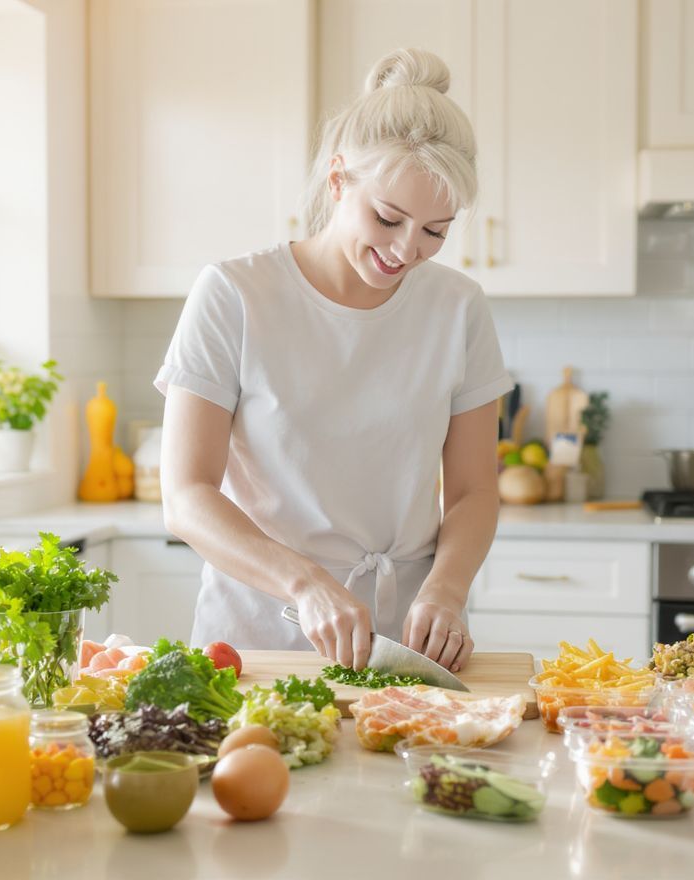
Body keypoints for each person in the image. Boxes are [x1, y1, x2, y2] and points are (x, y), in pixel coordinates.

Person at [155, 48, 512, 674]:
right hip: (256, 639)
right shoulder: (236, 294)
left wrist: (447, 592)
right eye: (388, 218)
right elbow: (186, 496)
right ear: (339, 179)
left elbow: (474, 492)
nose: (407, 250)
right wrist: (305, 583)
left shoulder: (458, 308)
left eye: (435, 231)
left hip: (404, 644)